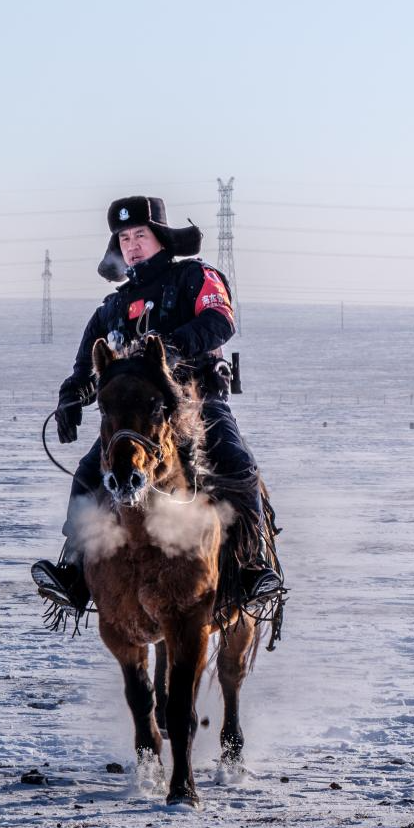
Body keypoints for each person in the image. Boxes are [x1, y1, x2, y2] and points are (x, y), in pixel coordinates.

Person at [31, 195, 282, 619]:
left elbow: (221, 320)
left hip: (197, 402)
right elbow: (84, 366)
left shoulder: (195, 276)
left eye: (139, 235)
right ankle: (73, 571)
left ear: (161, 238)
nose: (131, 245)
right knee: (88, 473)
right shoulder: (112, 307)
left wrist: (170, 346)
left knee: (238, 464)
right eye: (124, 238)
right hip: (134, 420)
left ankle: (251, 567)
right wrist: (71, 397)